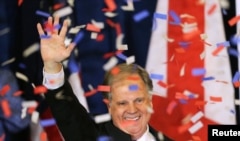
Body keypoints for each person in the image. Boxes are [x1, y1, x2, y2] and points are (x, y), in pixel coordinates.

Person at [37, 16, 173, 141]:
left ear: (150, 102)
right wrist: (52, 66)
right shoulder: (92, 137)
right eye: (122, 103)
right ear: (109, 105)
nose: (132, 110)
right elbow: (68, 113)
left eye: (138, 100)